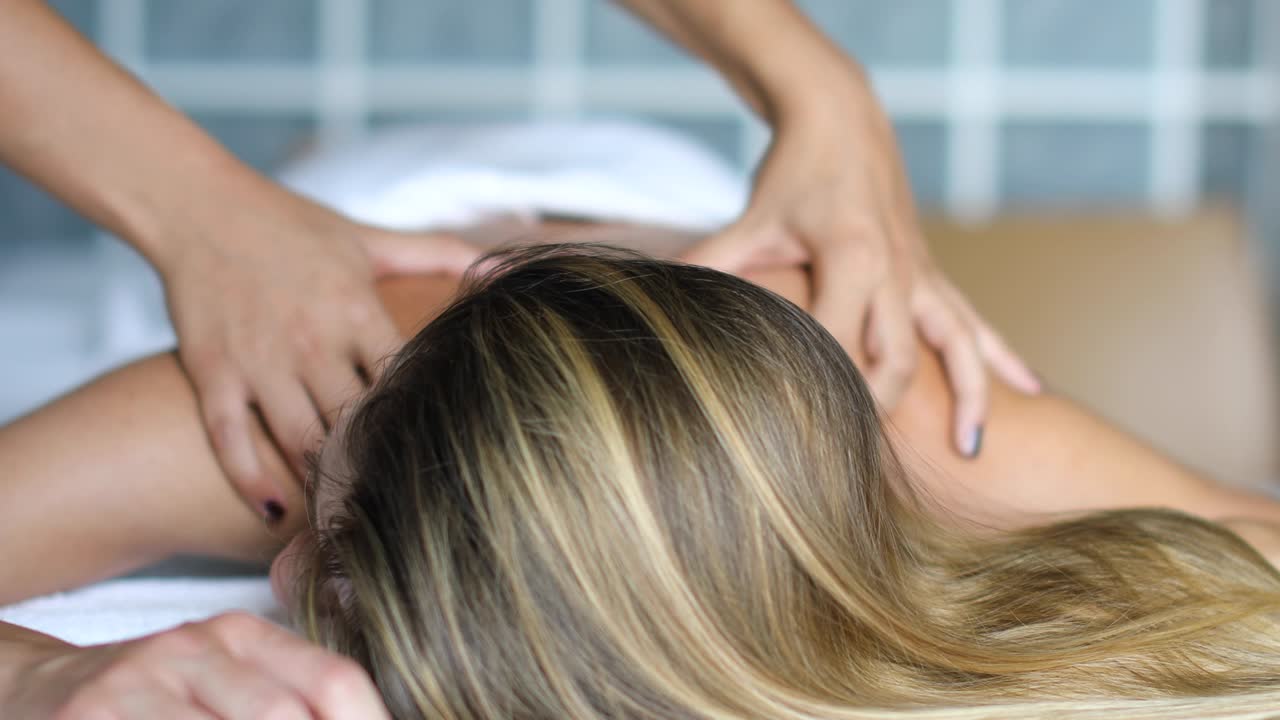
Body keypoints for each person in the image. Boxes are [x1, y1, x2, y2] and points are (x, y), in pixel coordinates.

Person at [2, 224, 1280, 717]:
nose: (274, 559)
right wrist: (48, 675)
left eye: (324, 552)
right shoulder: (324, 375)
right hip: (676, 286)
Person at [0, 0, 1038, 532]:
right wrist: (201, 214)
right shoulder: (881, 416)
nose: (290, 573)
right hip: (572, 196)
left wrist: (820, 88)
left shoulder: (299, 432)